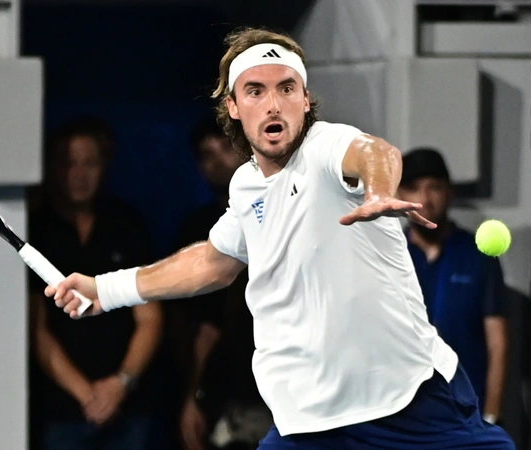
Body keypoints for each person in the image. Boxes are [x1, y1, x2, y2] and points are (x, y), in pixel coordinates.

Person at [44, 28, 515, 449]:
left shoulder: (325, 146)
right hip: (308, 423)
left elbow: (375, 152)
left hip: (409, 401)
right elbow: (212, 262)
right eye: (256, 90)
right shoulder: (246, 187)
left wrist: (375, 191)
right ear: (233, 107)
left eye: (286, 88)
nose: (273, 103)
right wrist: (107, 289)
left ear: (305, 99)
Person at [28, 116, 164, 450]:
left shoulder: (128, 225)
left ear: (105, 165)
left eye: (89, 163)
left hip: (129, 404)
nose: (79, 174)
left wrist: (120, 384)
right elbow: (35, 328)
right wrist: (89, 395)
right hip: (61, 409)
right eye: (68, 163)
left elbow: (150, 317)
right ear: (50, 167)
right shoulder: (36, 230)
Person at [170, 116, 272, 450]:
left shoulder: (281, 215)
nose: (218, 161)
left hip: (288, 376)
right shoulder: (197, 228)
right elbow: (201, 323)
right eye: (206, 154)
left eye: (226, 147)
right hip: (227, 383)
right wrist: (192, 395)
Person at [398, 147, 509, 425]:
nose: (424, 199)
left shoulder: (478, 254)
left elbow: (498, 344)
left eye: (434, 188)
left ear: (449, 192)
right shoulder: (388, 255)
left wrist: (490, 418)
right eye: (414, 188)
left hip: (466, 413)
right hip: (404, 415)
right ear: (399, 196)